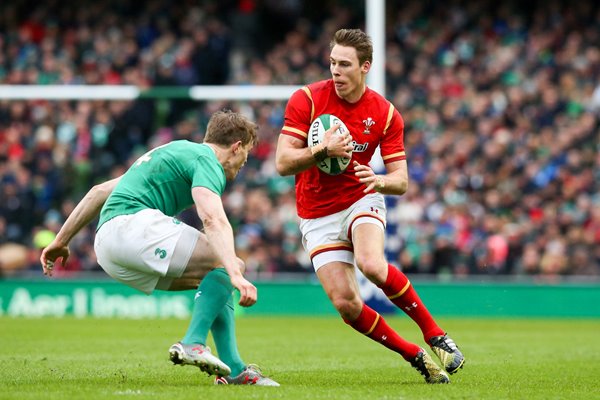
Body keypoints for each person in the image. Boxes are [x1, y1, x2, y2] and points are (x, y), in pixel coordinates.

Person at [275, 28, 465, 384]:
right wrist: (321, 151)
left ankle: (435, 335)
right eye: (332, 62)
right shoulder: (307, 99)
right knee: (346, 304)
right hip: (315, 214)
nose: (335, 71)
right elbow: (283, 163)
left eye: (344, 65)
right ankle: (415, 355)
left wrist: (378, 181)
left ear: (365, 67)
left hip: (361, 196)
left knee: (372, 264)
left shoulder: (385, 114)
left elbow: (402, 181)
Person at [40, 110, 279, 386]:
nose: (243, 164)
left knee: (214, 277)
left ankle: (234, 370)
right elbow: (212, 218)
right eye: (246, 155)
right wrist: (236, 274)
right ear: (236, 147)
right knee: (230, 266)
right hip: (132, 227)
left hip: (107, 248)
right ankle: (193, 343)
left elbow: (98, 192)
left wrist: (60, 241)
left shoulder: (172, 151)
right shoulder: (207, 160)